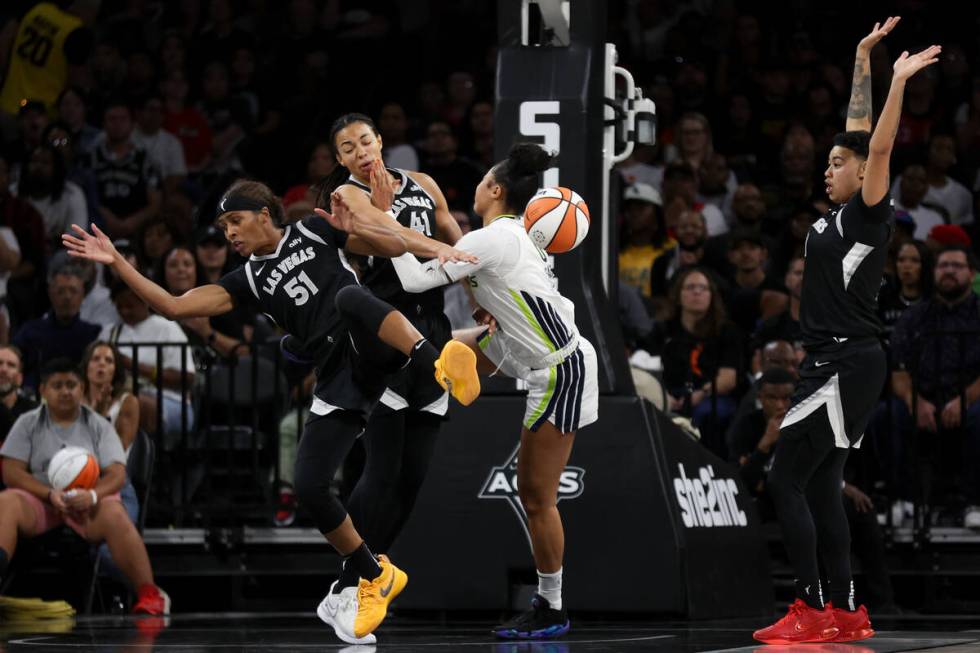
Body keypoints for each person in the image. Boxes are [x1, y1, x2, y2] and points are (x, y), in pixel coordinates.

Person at [64, 179, 479, 645]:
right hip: (335, 376)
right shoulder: (248, 279)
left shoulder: (314, 230)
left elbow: (393, 242)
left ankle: (439, 360)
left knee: (347, 297)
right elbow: (175, 306)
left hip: (369, 342)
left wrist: (367, 227)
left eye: (235, 221)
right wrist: (117, 262)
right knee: (308, 485)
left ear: (264, 214)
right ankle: (372, 575)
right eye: (223, 226)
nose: (229, 234)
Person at [753, 16, 940, 644]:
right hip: (839, 361)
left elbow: (878, 145)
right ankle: (849, 612)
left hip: (843, 360)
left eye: (838, 164)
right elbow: (860, 129)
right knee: (824, 485)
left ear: (862, 176)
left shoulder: (867, 215)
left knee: (783, 478)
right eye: (829, 162)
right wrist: (864, 54)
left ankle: (810, 609)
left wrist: (899, 80)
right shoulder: (839, 215)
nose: (828, 170)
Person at [388, 143, 600, 640]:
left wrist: (387, 225)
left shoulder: (495, 239)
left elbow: (418, 280)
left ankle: (552, 608)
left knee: (536, 497)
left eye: (483, 179)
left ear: (495, 190)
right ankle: (445, 375)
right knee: (438, 352)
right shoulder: (511, 237)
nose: (478, 184)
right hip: (519, 345)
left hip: (557, 369)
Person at [317, 113, 465, 594]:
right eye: (348, 148)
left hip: (434, 328)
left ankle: (373, 573)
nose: (361, 152)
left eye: (365, 141)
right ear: (339, 159)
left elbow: (455, 238)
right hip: (385, 330)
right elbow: (396, 244)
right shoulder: (348, 196)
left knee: (413, 479)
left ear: (381, 141)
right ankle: (348, 577)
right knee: (381, 471)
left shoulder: (423, 181)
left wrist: (482, 294)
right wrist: (452, 254)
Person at [0, 358, 168, 615]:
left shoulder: (99, 425)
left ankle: (150, 594)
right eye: (57, 385)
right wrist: (47, 493)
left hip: (88, 501)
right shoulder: (27, 422)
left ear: (82, 389)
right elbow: (11, 472)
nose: (66, 391)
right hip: (43, 500)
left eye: (71, 385)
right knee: (6, 502)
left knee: (114, 513)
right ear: (43, 390)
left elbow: (116, 474)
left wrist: (91, 494)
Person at [0, 346, 37, 443]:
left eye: (11, 365)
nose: (3, 369)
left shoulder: (34, 413)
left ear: (20, 378)